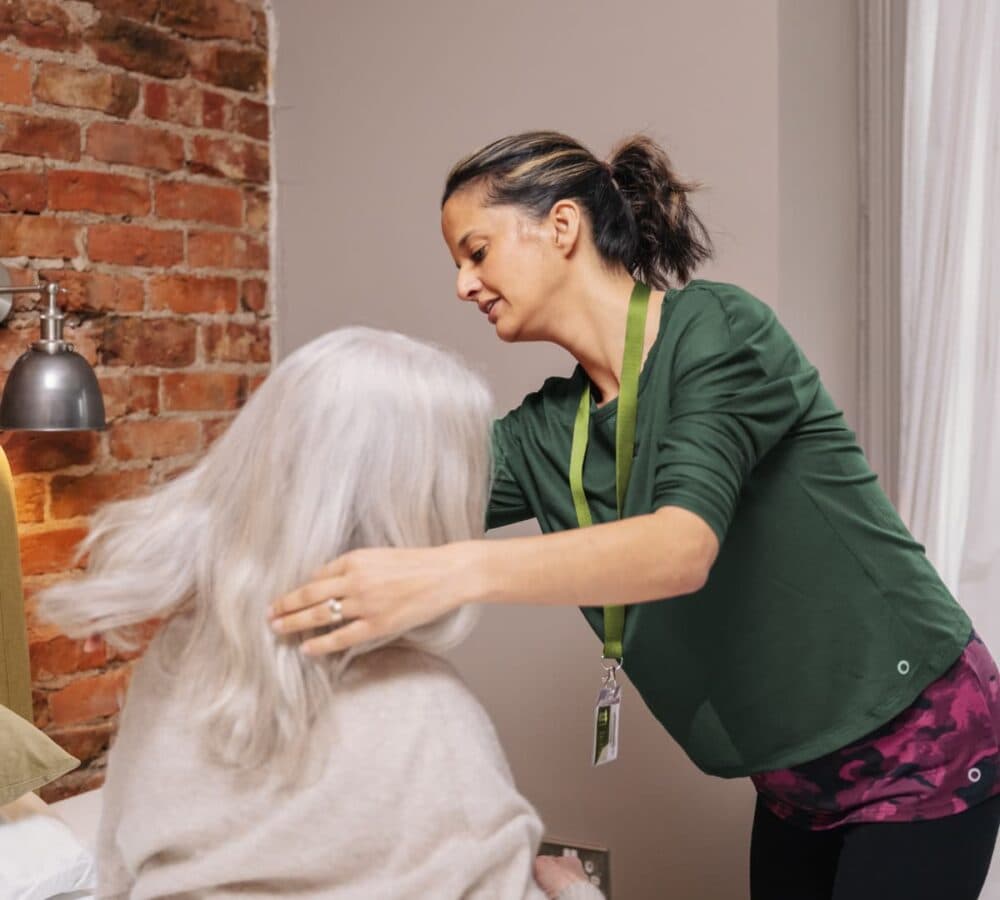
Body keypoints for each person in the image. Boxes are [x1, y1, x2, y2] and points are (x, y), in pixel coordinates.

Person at [269, 131, 1000, 899]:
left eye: (477, 252)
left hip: (920, 739)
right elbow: (391, 496)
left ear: (560, 228)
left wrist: (442, 577)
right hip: (791, 778)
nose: (463, 284)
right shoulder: (551, 428)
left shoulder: (718, 331)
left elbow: (680, 548)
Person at [40, 328, 602, 900]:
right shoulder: (426, 712)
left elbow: (117, 868)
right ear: (426, 501)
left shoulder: (179, 656)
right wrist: (575, 891)